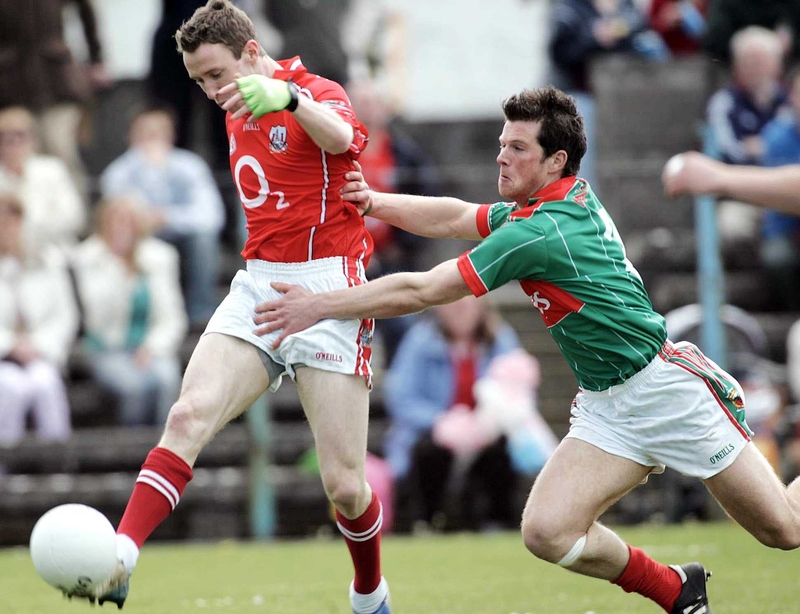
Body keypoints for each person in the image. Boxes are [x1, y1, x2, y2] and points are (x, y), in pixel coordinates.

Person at [255, 87, 800, 614]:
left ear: (555, 160)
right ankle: (677, 590)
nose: (502, 156)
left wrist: (320, 305)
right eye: (501, 143)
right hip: (609, 405)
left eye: (518, 148)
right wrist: (375, 201)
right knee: (548, 531)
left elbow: (423, 290)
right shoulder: (544, 207)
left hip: (667, 393)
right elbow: (454, 217)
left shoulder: (539, 231)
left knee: (785, 531)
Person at [76, 3, 390, 614]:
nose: (211, 91)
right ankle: (121, 558)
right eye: (198, 81)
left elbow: (347, 140)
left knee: (346, 487)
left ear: (251, 53)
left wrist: (290, 101)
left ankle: (369, 593)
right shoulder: (235, 106)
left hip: (327, 288)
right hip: (260, 285)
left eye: (216, 74)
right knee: (188, 415)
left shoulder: (312, 91)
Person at [383, 296, 522, 532]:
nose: (461, 310)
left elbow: (518, 391)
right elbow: (401, 397)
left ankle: (496, 523)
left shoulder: (501, 339)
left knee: (501, 453)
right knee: (428, 453)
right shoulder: (419, 340)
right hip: (433, 437)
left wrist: (487, 423)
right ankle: (426, 522)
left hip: (487, 434)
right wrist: (440, 422)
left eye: (467, 304)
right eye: (453, 304)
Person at [101, 108, 226, 328]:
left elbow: (212, 216)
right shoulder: (118, 172)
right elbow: (115, 220)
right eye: (145, 133)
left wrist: (168, 217)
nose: (152, 140)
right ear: (131, 137)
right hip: (140, 237)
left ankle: (201, 316)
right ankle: (141, 319)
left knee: (204, 239)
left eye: (159, 133)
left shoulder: (190, 165)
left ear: (171, 137)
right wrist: (148, 172)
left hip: (180, 235)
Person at [71, 197, 188, 427]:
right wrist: (118, 269)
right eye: (115, 221)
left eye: (128, 222)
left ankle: (164, 450)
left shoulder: (159, 258)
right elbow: (95, 318)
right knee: (134, 387)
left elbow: (172, 317)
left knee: (167, 379)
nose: (121, 228)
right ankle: (133, 449)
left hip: (148, 348)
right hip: (107, 348)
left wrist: (151, 347)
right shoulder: (85, 259)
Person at [0, 192, 77, 446]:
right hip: (3, 359)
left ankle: (59, 471)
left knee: (46, 385)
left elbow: (65, 315)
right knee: (10, 389)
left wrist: (39, 345)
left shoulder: (47, 262)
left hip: (41, 354)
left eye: (10, 220)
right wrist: (10, 344)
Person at [0, 107, 87, 255]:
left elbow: (74, 216)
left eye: (20, 136)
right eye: (6, 138)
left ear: (33, 139)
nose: (14, 143)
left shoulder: (52, 169)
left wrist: (21, 225)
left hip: (53, 253)